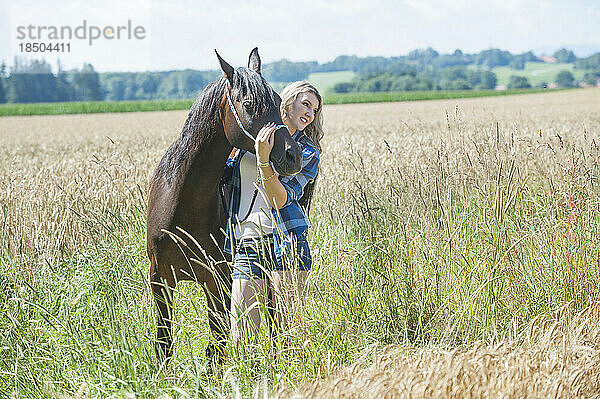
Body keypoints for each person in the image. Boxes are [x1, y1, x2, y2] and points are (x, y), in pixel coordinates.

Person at [222, 81, 324, 343]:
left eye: (314, 109)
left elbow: (279, 200)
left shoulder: (307, 152)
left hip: (287, 243)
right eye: (305, 103)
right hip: (247, 243)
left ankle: (293, 385)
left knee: (289, 337)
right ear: (287, 104)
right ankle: (253, 384)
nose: (310, 113)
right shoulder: (245, 141)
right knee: (242, 337)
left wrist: (265, 160)